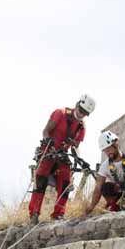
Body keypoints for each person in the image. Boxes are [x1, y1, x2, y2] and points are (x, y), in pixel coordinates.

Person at [29, 94, 96, 224]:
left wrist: (79, 159)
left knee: (66, 183)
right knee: (41, 179)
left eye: (85, 113)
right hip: (49, 150)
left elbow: (76, 146)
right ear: (77, 104)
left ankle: (58, 214)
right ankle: (34, 213)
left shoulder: (81, 127)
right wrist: (49, 143)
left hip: (62, 155)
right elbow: (46, 131)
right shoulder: (60, 113)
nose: (82, 114)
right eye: (81, 110)